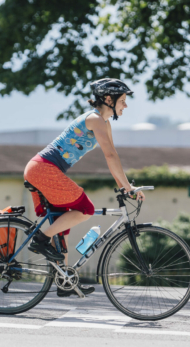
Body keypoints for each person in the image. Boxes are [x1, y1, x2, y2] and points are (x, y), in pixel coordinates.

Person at [23, 78, 146, 297]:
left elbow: (113, 159)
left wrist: (124, 186)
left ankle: (64, 282)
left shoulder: (104, 123)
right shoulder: (94, 119)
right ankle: (40, 239)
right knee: (86, 209)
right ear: (109, 99)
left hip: (46, 169)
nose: (125, 106)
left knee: (62, 228)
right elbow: (109, 155)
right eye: (123, 100)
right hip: (43, 169)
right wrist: (127, 187)